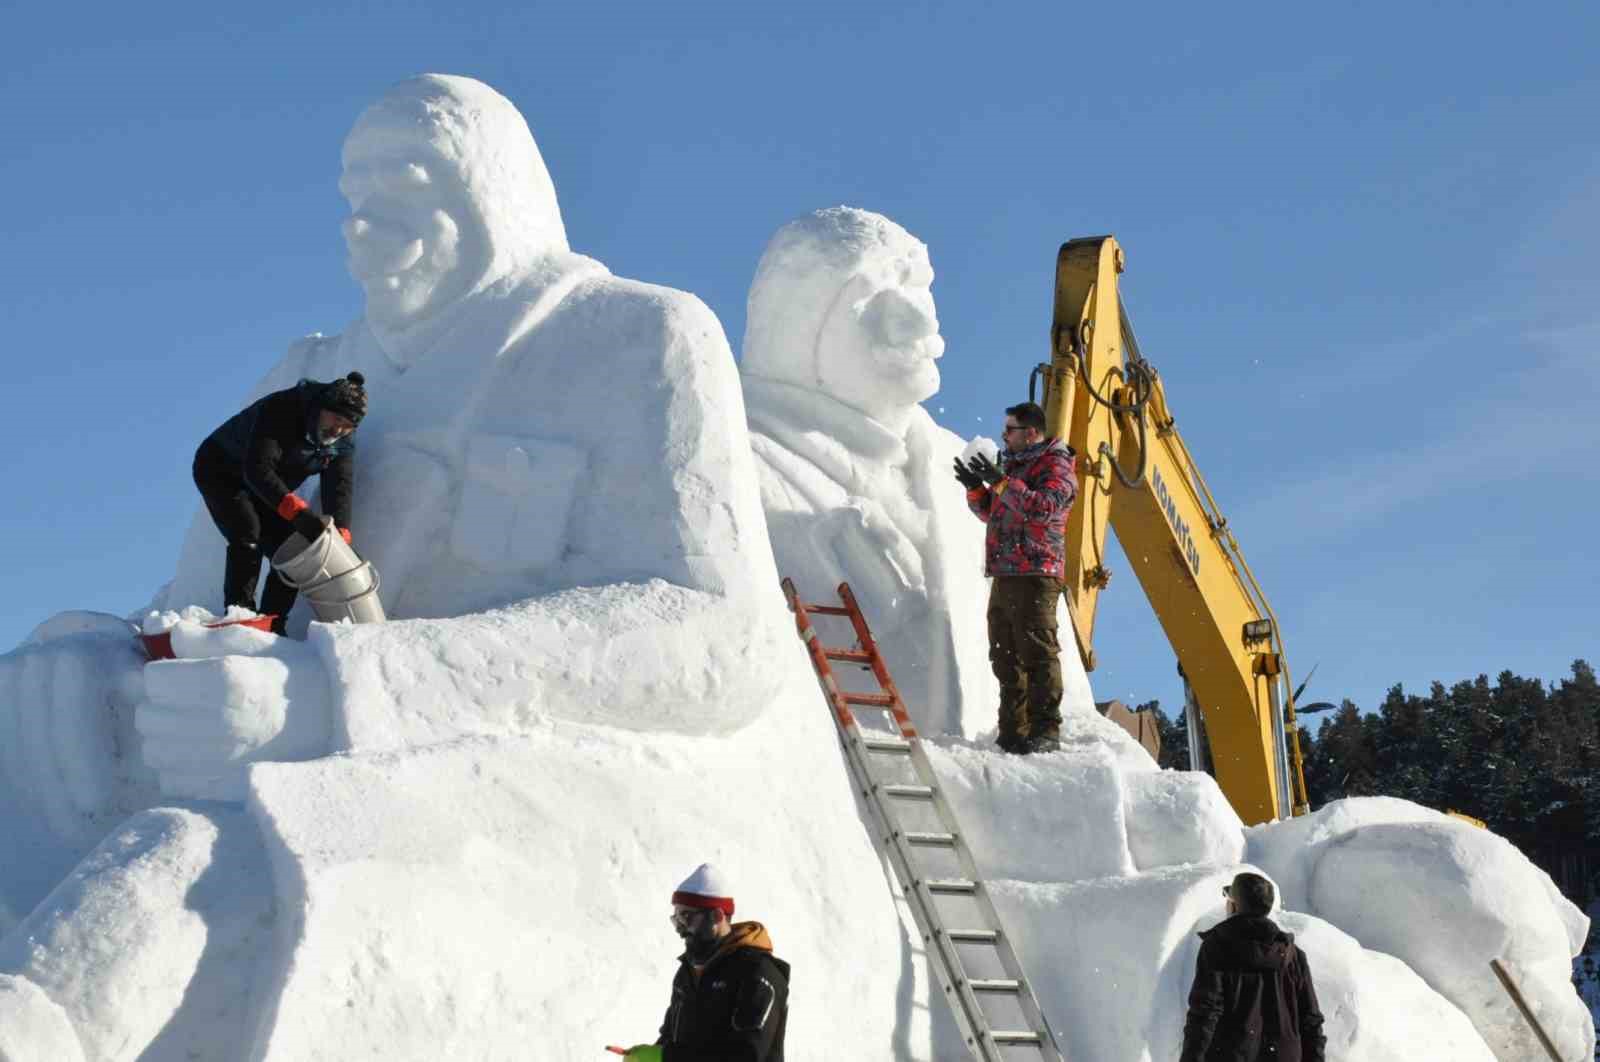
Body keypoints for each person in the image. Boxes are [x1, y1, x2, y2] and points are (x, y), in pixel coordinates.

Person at [191, 371, 368, 633]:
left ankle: (274, 624)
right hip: (222, 470)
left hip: (270, 485)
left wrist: (341, 532)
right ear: (321, 408)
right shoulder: (283, 410)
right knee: (246, 534)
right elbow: (258, 469)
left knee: (295, 550)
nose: (339, 429)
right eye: (336, 418)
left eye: (348, 425)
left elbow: (339, 487)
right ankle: (239, 617)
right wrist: (298, 513)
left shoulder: (341, 442)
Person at [955, 401, 1077, 753]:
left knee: (1037, 652)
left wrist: (1002, 483)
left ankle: (1045, 731)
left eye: (1010, 430)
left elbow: (1042, 509)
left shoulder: (1057, 465)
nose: (1004, 436)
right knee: (1005, 654)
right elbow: (993, 513)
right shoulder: (1012, 467)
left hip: (1037, 571)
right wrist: (977, 488)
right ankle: (1013, 732)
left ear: (1032, 433)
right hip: (1006, 571)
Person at [617, 864, 789, 1061]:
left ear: (717, 916)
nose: (679, 928)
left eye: (686, 917)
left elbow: (746, 1055)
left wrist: (665, 1057)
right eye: (676, 919)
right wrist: (649, 1056)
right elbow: (672, 1039)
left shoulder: (758, 973)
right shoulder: (687, 973)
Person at [1180, 871, 1326, 1062]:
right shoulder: (1293, 955)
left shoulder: (1216, 948)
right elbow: (1311, 1020)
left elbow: (1205, 1013)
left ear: (1234, 905)